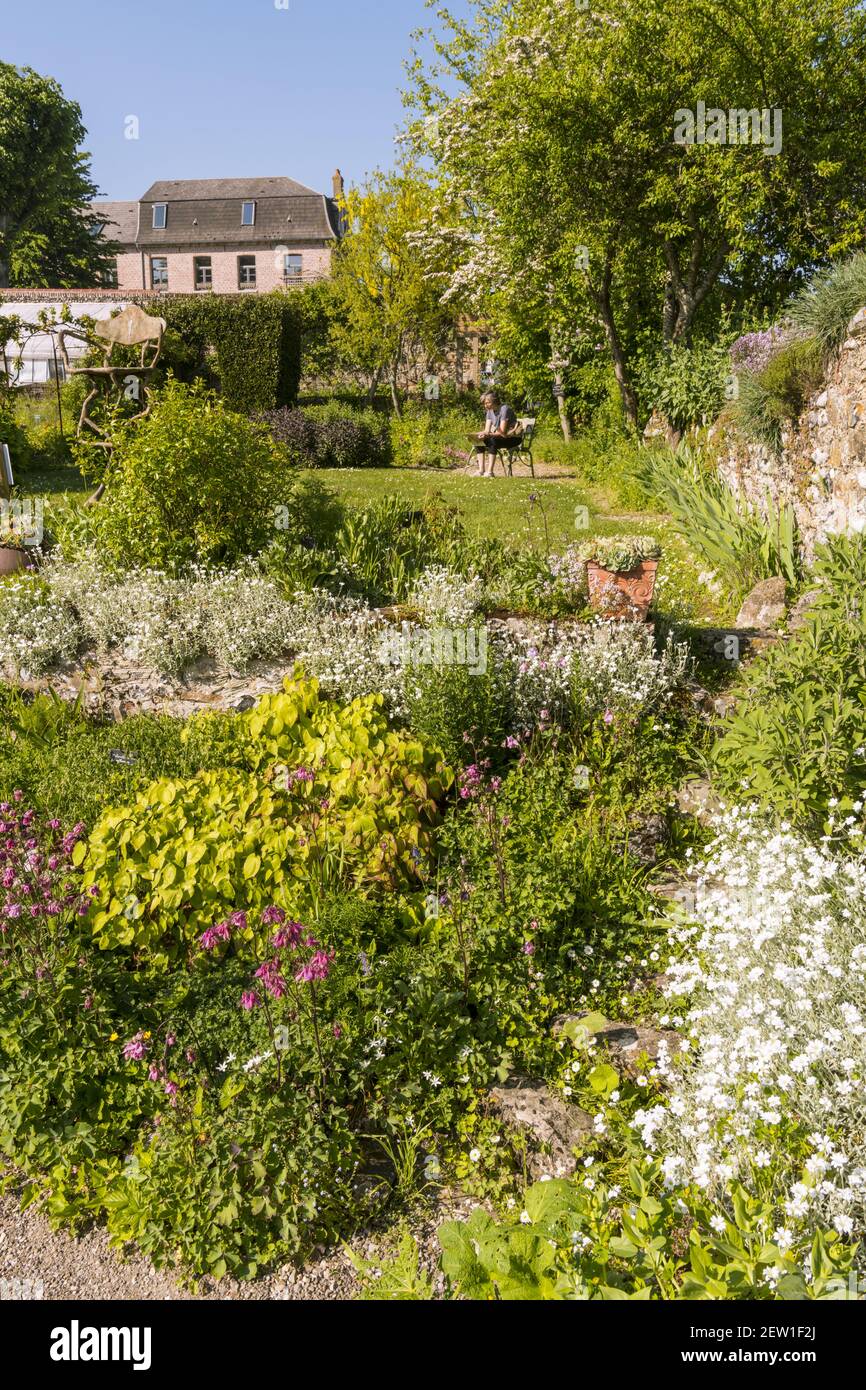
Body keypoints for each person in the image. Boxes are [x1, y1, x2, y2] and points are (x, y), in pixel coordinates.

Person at [472, 391, 522, 477]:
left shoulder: (504, 409)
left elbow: (502, 432)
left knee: (492, 440)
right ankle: (481, 470)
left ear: (494, 401)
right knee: (478, 440)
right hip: (500, 437)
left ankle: (490, 472)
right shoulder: (489, 411)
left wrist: (488, 435)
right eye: (485, 403)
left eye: (488, 403)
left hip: (513, 438)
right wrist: (476, 435)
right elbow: (487, 430)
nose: (485, 405)